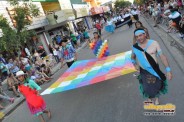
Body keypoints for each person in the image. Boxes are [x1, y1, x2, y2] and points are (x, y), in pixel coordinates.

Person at [131, 28, 172, 105]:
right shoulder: (135, 47)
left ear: (145, 34)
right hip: (144, 71)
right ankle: (149, 98)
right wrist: (135, 64)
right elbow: (132, 57)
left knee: (156, 85)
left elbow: (162, 56)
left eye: (140, 35)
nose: (139, 38)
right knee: (146, 87)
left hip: (154, 69)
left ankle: (156, 98)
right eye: (137, 37)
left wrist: (168, 70)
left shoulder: (154, 43)